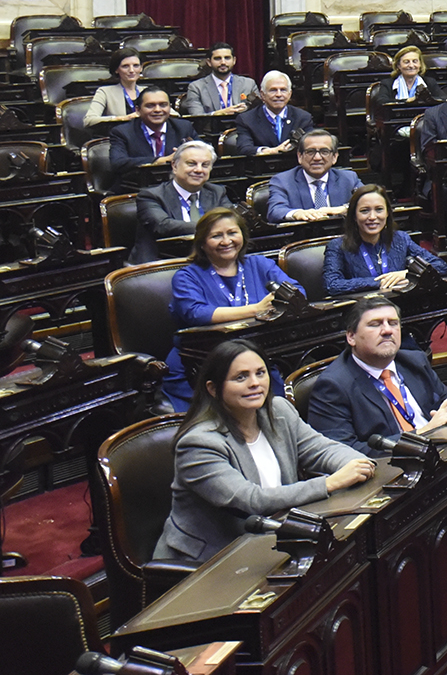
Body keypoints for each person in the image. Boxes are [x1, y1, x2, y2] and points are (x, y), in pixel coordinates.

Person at [150, 339, 375, 565]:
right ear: (213, 388)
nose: (254, 383)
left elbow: (322, 450)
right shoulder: (198, 443)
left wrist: (358, 463)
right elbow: (251, 500)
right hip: (210, 559)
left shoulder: (278, 411)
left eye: (260, 373)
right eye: (241, 377)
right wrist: (329, 483)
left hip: (272, 538)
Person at [160, 211, 302, 408]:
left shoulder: (260, 264)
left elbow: (297, 293)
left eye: (232, 233)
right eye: (216, 236)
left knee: (278, 410)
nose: (226, 241)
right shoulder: (187, 276)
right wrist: (256, 309)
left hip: (256, 358)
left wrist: (280, 301)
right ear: (202, 243)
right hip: (200, 363)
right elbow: (196, 313)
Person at [306, 297, 447, 454]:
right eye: (375, 324)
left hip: (443, 453)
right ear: (351, 337)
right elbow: (342, 451)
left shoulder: (415, 361)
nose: (387, 331)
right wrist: (423, 434)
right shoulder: (333, 385)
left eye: (393, 323)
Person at [321, 185, 447, 295]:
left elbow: (441, 267)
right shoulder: (337, 246)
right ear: (354, 216)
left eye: (379, 210)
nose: (372, 217)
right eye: (364, 211)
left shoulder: (401, 239)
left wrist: (406, 274)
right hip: (363, 311)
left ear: (387, 213)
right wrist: (381, 281)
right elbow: (331, 285)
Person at [132, 141, 233, 264]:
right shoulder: (151, 196)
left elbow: (231, 220)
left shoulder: (217, 192)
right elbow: (163, 226)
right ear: (174, 166)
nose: (199, 170)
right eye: (191, 164)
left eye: (205, 165)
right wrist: (213, 227)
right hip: (163, 263)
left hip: (209, 260)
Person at [265, 129, 358, 223]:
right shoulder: (282, 181)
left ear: (334, 157)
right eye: (310, 152)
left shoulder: (349, 178)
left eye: (324, 151)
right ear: (300, 156)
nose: (317, 158)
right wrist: (296, 213)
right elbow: (275, 211)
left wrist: (344, 209)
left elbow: (370, 202)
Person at [108, 88, 198, 179]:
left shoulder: (184, 127)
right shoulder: (122, 132)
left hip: (176, 182)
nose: (158, 110)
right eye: (150, 106)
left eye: (163, 105)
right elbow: (118, 162)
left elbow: (206, 151)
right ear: (138, 110)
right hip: (137, 185)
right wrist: (160, 161)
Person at [234, 71, 313, 155]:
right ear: (262, 95)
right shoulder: (246, 119)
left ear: (290, 94)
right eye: (273, 90)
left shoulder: (303, 117)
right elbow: (244, 148)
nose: (279, 94)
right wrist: (271, 151)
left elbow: (311, 146)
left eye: (283, 90)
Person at [182, 44, 258, 117]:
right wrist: (221, 113)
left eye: (227, 58)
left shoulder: (249, 84)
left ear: (234, 60)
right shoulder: (196, 87)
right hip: (211, 129)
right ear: (209, 62)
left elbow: (259, 112)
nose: (223, 62)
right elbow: (197, 117)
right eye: (217, 58)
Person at [83, 50, 146, 126]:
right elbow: (89, 120)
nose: (131, 70)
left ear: (141, 68)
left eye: (136, 65)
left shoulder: (148, 91)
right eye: (125, 66)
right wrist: (122, 118)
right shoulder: (105, 92)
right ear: (116, 70)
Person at [366, 45, 435, 112]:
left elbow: (441, 99)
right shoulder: (388, 83)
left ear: (420, 64)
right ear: (398, 65)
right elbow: (382, 102)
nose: (411, 65)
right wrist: (408, 101)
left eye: (415, 61)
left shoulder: (429, 82)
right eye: (406, 62)